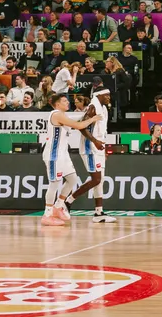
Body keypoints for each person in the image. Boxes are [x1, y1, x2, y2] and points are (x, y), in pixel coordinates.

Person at [39, 93, 99, 226]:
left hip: (63, 154)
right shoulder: (57, 114)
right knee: (54, 184)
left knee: (72, 179)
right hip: (54, 155)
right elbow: (78, 126)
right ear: (57, 104)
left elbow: (77, 121)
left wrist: (87, 115)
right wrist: (93, 118)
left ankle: (58, 206)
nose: (68, 102)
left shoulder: (63, 115)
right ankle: (47, 214)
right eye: (65, 101)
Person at [68, 81, 115, 223]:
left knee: (100, 180)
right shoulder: (93, 107)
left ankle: (99, 212)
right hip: (89, 148)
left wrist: (103, 148)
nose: (109, 98)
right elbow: (82, 127)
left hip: (98, 148)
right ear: (99, 95)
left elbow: (102, 132)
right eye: (106, 95)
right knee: (96, 179)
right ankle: (68, 201)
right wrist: (95, 141)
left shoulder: (104, 108)